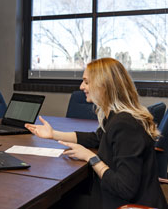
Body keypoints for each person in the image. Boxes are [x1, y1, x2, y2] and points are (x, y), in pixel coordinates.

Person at [25, 58, 167, 209]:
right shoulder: (115, 116)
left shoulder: (125, 125)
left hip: (127, 204)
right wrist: (54, 134)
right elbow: (96, 138)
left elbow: (124, 188)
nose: (81, 87)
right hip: (114, 197)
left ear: (103, 85)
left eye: (86, 82)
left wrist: (90, 157)